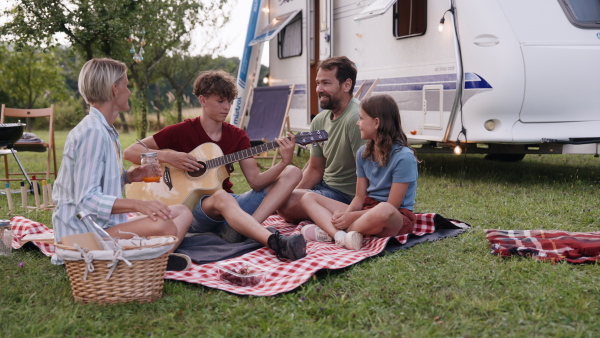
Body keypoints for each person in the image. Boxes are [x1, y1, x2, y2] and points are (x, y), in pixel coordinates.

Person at [123, 70, 306, 261]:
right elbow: (130, 152)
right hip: (193, 210)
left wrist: (284, 161)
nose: (227, 107)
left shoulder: (237, 136)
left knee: (292, 171)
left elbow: (256, 182)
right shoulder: (182, 131)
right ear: (203, 100)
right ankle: (268, 238)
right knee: (220, 196)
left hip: (230, 208)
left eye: (229, 101)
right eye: (220, 101)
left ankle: (246, 229)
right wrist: (168, 156)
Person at [52, 58, 193, 270]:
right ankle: (152, 259)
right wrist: (140, 205)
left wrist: (128, 177)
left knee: (183, 211)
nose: (129, 91)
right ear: (115, 89)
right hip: (81, 238)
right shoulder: (93, 133)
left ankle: (154, 256)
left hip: (103, 227)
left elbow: (94, 180)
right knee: (164, 223)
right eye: (126, 85)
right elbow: (86, 201)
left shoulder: (106, 130)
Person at [298, 94, 418, 250]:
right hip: (366, 211)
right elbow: (359, 198)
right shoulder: (363, 153)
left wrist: (351, 217)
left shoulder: (404, 157)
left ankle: (330, 232)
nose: (357, 123)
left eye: (361, 118)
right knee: (308, 197)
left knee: (384, 209)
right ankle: (340, 236)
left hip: (395, 217)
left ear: (376, 123)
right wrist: (345, 215)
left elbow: (392, 206)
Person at [277, 56, 366, 223]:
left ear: (347, 85)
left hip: (348, 198)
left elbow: (367, 173)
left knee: (286, 203)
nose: (318, 89)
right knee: (278, 193)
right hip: (325, 188)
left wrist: (288, 200)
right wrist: (289, 194)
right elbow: (315, 169)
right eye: (318, 83)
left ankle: (346, 217)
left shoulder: (356, 118)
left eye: (326, 83)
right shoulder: (319, 120)